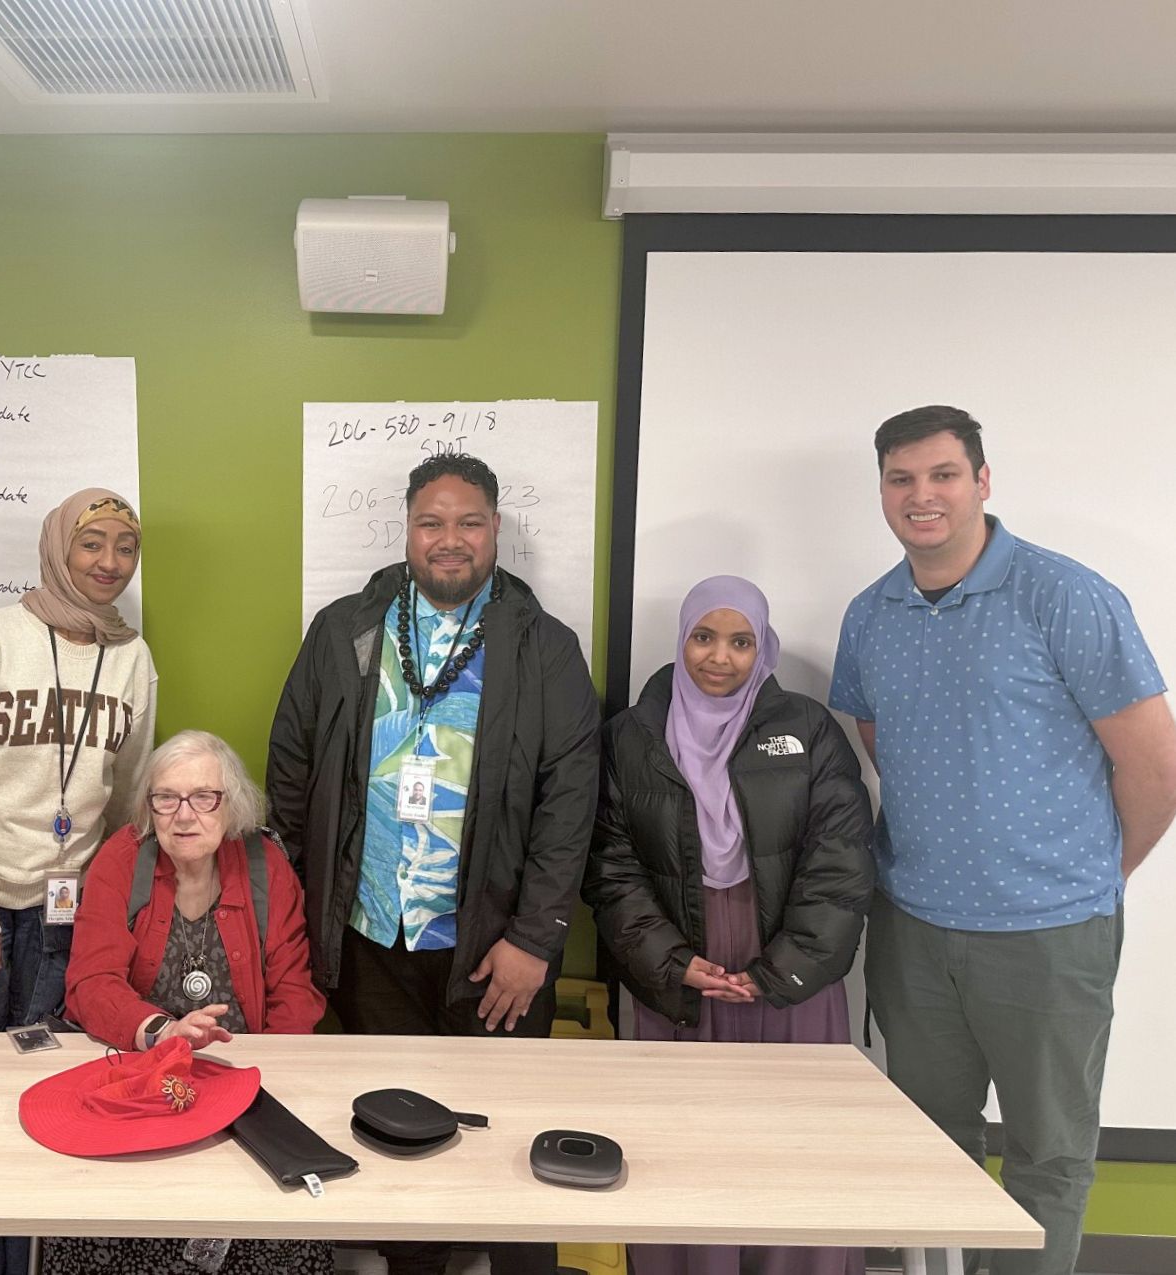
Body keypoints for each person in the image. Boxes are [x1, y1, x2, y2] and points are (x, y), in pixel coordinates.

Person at [829, 405, 1176, 1275]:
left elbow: (1156, 767)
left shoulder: (1066, 596)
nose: (922, 495)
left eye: (943, 474)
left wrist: (1096, 874)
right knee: (932, 1143)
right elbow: (882, 738)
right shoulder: (871, 614)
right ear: (882, 492)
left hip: (1050, 934)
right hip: (914, 926)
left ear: (982, 481)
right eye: (901, 479)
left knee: (1047, 1154)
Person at [266, 452, 600, 1275]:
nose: (450, 540)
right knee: (392, 1132)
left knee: (509, 1136)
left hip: (495, 951)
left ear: (494, 531)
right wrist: (314, 903)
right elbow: (291, 764)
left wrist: (535, 939)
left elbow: (571, 805)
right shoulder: (346, 628)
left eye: (469, 522)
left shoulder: (546, 648)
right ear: (407, 530)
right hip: (370, 934)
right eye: (432, 522)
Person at [586, 575, 874, 1275]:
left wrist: (782, 970)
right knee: (681, 1144)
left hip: (786, 976)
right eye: (704, 636)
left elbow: (841, 862)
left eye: (741, 641)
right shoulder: (630, 735)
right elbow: (609, 864)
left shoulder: (808, 730)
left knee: (793, 1142)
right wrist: (668, 960)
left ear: (763, 647)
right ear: (682, 639)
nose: (720, 657)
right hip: (678, 973)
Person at [0, 487, 155, 1275]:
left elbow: (127, 791)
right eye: (92, 544)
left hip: (63, 910)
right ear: (58, 548)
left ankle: (18, 1249)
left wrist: (107, 900)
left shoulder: (133, 656)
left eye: (124, 546)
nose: (109, 562)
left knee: (39, 1071)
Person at [46, 729, 330, 1275]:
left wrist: (255, 1083)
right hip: (145, 1073)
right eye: (166, 798)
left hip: (243, 1079)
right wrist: (161, 1031)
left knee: (273, 1218)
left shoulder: (265, 864)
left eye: (205, 797)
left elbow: (295, 994)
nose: (184, 815)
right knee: (111, 1213)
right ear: (148, 806)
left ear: (233, 805)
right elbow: (90, 983)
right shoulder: (121, 859)